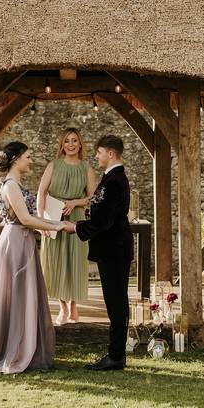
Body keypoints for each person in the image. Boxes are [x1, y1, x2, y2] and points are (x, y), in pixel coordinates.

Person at [0, 142, 67, 374]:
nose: (31, 160)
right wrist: (59, 225)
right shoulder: (11, 186)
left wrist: (47, 225)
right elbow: (25, 220)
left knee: (23, 294)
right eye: (28, 156)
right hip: (16, 242)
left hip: (22, 240)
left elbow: (28, 219)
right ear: (16, 159)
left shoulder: (15, 184)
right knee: (16, 295)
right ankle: (15, 350)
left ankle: (24, 346)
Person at [61, 134, 133, 371]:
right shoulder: (111, 178)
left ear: (110, 154)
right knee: (115, 301)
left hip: (114, 248)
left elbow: (105, 220)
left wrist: (77, 227)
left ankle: (116, 356)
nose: (97, 156)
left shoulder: (114, 181)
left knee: (116, 303)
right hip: (111, 248)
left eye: (100, 152)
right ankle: (116, 354)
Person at [37, 127, 96, 325]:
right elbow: (41, 193)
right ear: (62, 145)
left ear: (80, 144)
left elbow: (93, 198)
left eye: (74, 141)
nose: (71, 144)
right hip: (53, 216)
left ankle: (73, 304)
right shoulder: (53, 165)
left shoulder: (86, 167)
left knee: (75, 261)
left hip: (76, 218)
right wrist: (41, 219)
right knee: (56, 261)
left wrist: (76, 203)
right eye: (67, 141)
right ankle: (62, 307)